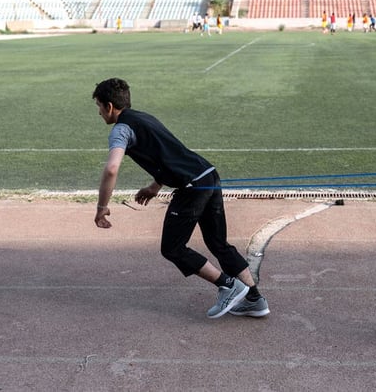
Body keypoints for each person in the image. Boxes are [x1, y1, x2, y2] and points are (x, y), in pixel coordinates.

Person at [91, 78, 270, 319]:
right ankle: (254, 299)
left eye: (99, 106)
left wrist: (102, 207)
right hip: (208, 175)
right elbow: (170, 154)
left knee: (172, 248)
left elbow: (112, 169)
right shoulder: (145, 118)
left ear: (110, 106)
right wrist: (156, 185)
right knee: (219, 244)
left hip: (192, 187)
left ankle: (228, 285)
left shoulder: (121, 130)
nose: (99, 112)